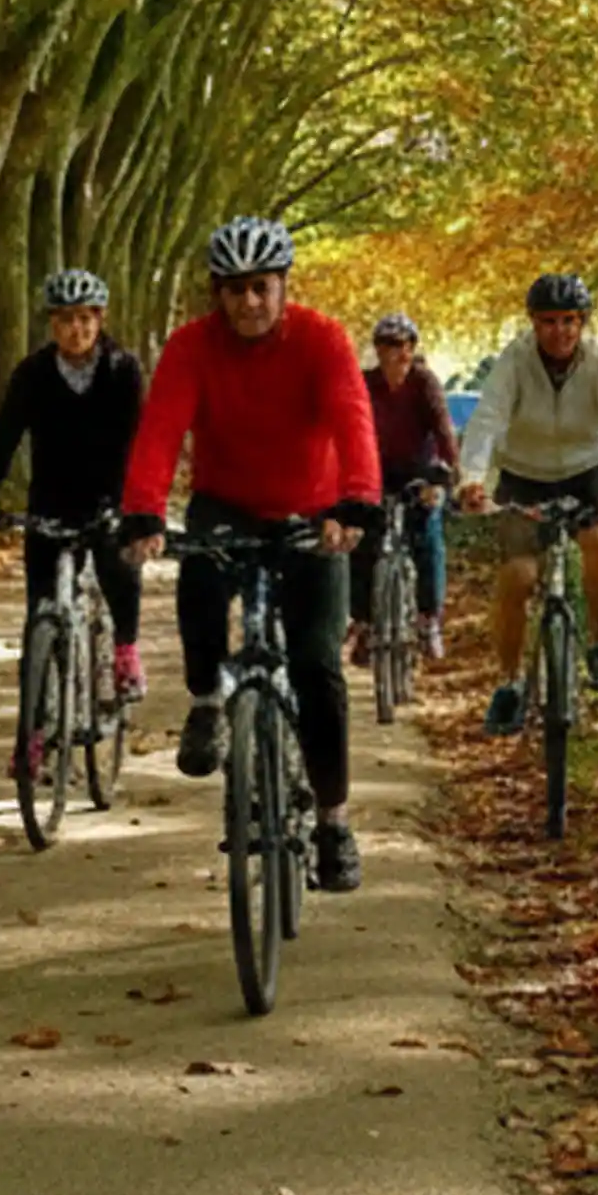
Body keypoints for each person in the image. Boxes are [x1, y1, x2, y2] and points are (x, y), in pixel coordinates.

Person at [120, 216, 381, 893]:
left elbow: (354, 417)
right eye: (233, 290)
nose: (248, 303)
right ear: (217, 293)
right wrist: (144, 511)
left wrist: (357, 501)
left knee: (319, 670)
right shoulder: (191, 347)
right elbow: (160, 431)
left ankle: (333, 820)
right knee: (198, 590)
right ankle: (209, 700)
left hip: (313, 515)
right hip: (225, 504)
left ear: (282, 287)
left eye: (261, 288)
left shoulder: (322, 340)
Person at [459, 272, 598, 729]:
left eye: (569, 321)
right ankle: (508, 684)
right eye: (548, 322)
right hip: (525, 473)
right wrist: (471, 478)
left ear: (582, 322)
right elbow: (487, 419)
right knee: (518, 576)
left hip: (590, 468)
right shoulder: (515, 360)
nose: (559, 331)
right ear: (533, 323)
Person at [0, 269, 147, 718]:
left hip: (109, 495)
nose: (76, 329)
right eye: (66, 319)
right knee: (38, 619)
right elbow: (6, 435)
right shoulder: (33, 374)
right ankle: (31, 734)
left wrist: (139, 504)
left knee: (117, 564)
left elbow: (142, 440)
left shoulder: (123, 370)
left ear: (100, 319)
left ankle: (125, 649)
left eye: (85, 318)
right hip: (50, 498)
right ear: (52, 324)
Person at [347, 311, 459, 663]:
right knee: (363, 543)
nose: (398, 352)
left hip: (418, 471)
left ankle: (428, 620)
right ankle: (364, 624)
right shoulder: (364, 385)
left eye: (404, 344)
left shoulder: (424, 383)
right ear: (378, 350)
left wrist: (448, 477)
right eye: (389, 344)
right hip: (374, 472)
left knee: (427, 535)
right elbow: (348, 432)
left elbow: (443, 432)